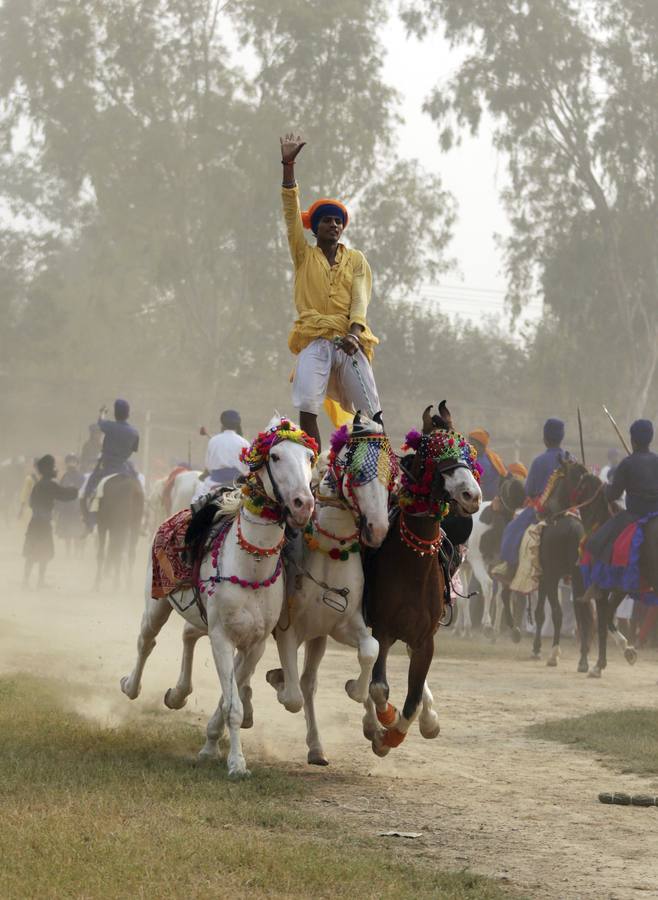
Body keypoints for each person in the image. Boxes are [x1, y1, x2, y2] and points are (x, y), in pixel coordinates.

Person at [279, 132, 381, 448]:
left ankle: (368, 468)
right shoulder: (303, 253)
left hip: (350, 341)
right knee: (307, 405)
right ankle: (313, 462)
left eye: (338, 221)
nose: (334, 225)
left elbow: (360, 298)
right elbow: (291, 213)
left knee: (372, 413)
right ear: (317, 227)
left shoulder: (357, 260)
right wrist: (288, 164)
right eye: (327, 221)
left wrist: (354, 332)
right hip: (315, 339)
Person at [499, 418, 570, 576]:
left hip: (543, 510)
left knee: (512, 529)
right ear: (562, 437)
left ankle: (510, 567)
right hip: (569, 510)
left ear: (545, 439)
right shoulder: (571, 459)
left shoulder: (539, 461)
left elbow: (529, 490)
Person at [586, 420, 658, 566]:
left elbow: (612, 495)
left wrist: (605, 488)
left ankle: (607, 581)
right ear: (651, 439)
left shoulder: (627, 463)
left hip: (634, 514)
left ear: (632, 440)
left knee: (596, 542)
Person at [23, 455, 78, 588]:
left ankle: (25, 581)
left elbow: (31, 503)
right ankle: (40, 581)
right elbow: (65, 495)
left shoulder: (38, 485)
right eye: (54, 467)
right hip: (44, 524)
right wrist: (75, 489)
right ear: (49, 469)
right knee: (44, 553)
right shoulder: (51, 485)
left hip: (34, 522)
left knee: (31, 552)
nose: (56, 469)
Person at [82, 399, 140, 525]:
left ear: (115, 413)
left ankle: (89, 522)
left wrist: (102, 412)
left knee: (89, 487)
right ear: (128, 414)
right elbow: (133, 449)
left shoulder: (110, 426)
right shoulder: (135, 432)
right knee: (138, 485)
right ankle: (141, 519)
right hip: (124, 466)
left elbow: (100, 422)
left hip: (107, 465)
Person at [193, 409, 249, 502]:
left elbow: (208, 465)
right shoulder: (244, 443)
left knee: (195, 501)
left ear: (223, 423)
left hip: (214, 482)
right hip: (238, 485)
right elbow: (247, 468)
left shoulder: (214, 441)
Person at [56, 454, 86, 554]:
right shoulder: (65, 476)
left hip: (77, 508)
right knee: (66, 533)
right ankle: (68, 552)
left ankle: (76, 552)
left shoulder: (81, 477)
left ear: (77, 463)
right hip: (66, 508)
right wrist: (58, 506)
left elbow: (84, 492)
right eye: (69, 461)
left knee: (77, 531)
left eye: (73, 461)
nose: (71, 463)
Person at [468, 429, 507, 501]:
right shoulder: (473, 458)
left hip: (489, 500)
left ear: (481, 445)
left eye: (472, 443)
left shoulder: (486, 461)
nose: (469, 445)